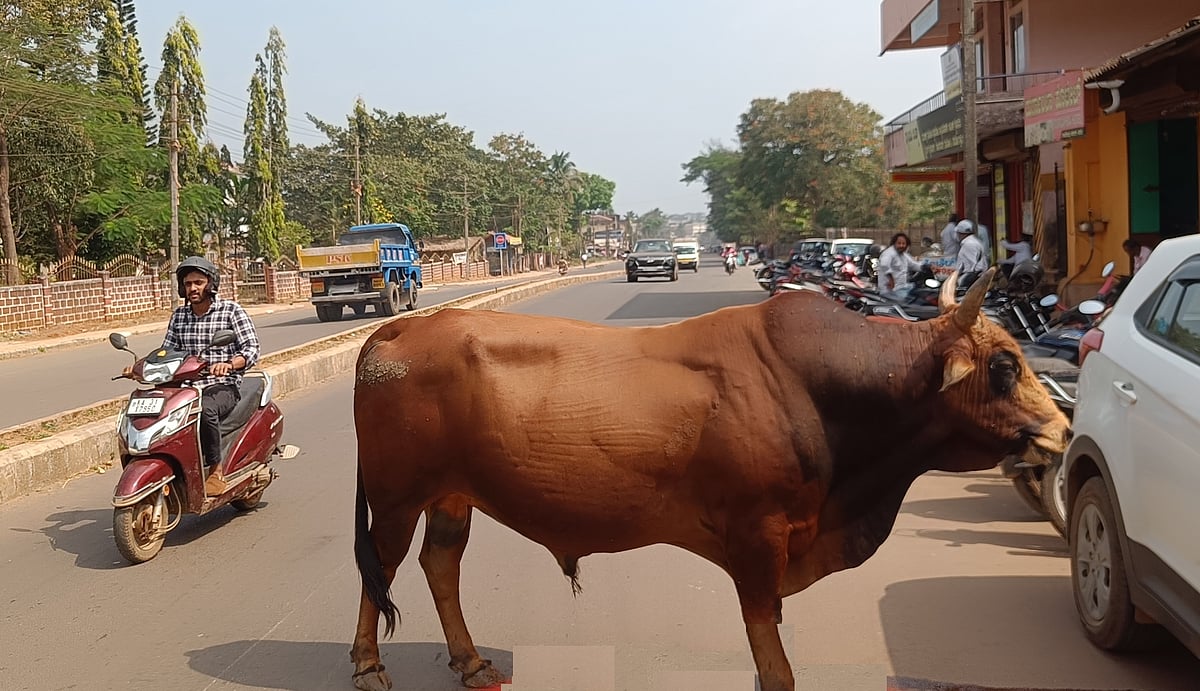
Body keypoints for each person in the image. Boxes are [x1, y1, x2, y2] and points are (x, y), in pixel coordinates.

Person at [129, 257, 261, 496]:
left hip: (221, 385)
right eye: (188, 284)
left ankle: (216, 471)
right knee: (153, 410)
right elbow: (167, 351)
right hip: (183, 387)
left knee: (205, 410)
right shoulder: (179, 316)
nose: (193, 288)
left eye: (198, 283)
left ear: (210, 284)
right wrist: (140, 367)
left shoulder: (231, 311)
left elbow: (251, 348)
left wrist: (229, 364)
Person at [877, 232, 923, 301]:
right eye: (899, 243)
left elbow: (914, 265)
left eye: (903, 244)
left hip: (902, 287)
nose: (901, 245)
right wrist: (891, 279)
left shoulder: (904, 255)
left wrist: (929, 267)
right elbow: (884, 265)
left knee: (920, 293)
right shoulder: (889, 253)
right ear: (894, 243)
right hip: (891, 291)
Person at [954, 220, 989, 284]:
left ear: (961, 233)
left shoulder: (969, 244)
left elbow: (971, 266)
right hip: (975, 276)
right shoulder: (973, 241)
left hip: (970, 278)